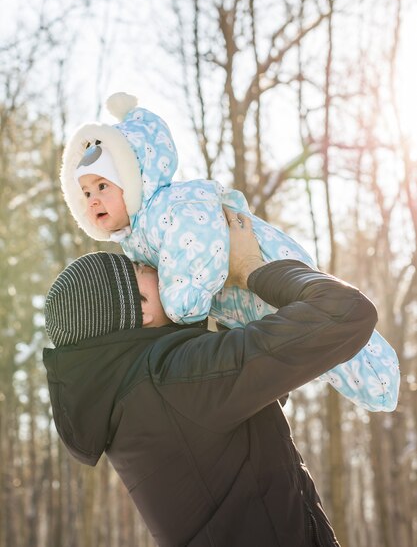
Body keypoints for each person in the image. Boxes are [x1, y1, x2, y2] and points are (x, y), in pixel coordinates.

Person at [43, 208, 378, 547]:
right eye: (136, 268)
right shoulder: (173, 379)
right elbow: (346, 311)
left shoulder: (137, 397)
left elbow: (255, 411)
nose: (150, 262)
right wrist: (252, 270)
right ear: (138, 308)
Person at [59, 92, 399, 412]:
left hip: (264, 266)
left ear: (135, 179)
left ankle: (383, 382)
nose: (94, 200)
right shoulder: (135, 237)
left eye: (103, 186)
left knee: (337, 341)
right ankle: (375, 386)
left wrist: (183, 303)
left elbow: (197, 251)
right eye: (86, 193)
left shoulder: (172, 206)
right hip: (237, 301)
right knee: (316, 351)